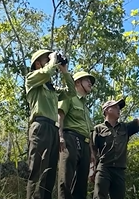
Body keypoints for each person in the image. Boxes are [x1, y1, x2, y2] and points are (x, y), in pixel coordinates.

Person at [25, 50, 77, 199]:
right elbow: (46, 73)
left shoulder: (51, 88)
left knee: (49, 173)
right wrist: (53, 60)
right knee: (38, 170)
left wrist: (64, 71)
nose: (50, 61)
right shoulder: (31, 79)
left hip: (53, 130)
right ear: (38, 63)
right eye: (46, 59)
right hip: (40, 127)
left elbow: (72, 92)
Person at [57, 71, 96, 199]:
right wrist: (60, 136)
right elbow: (60, 116)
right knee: (66, 179)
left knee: (81, 184)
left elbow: (88, 133)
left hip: (84, 144)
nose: (90, 83)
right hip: (70, 139)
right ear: (78, 82)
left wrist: (91, 154)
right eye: (87, 80)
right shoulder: (69, 97)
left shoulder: (86, 107)